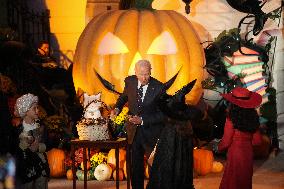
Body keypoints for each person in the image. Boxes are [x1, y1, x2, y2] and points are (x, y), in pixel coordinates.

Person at [111, 59, 166, 189]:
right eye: (141, 74)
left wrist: (142, 120)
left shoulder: (159, 87)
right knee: (135, 165)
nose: (144, 78)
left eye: (147, 74)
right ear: (135, 72)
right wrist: (117, 108)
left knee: (154, 165)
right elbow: (123, 97)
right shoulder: (129, 82)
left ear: (150, 71)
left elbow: (163, 115)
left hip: (152, 132)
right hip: (134, 131)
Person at [146, 79, 206, 189]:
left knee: (171, 163)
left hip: (172, 140)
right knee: (177, 164)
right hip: (173, 141)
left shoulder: (175, 127)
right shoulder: (185, 125)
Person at [215, 87, 263, 189]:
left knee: (232, 181)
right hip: (248, 154)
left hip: (235, 153)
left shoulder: (231, 118)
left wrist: (217, 147)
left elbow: (226, 141)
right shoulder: (253, 118)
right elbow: (257, 141)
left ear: (233, 102)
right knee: (244, 181)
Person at [14, 93, 50, 189]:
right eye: (34, 108)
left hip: (41, 168)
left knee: (41, 185)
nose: (38, 110)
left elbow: (48, 143)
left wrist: (39, 147)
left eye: (37, 108)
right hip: (27, 170)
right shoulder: (18, 130)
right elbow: (15, 149)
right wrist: (24, 145)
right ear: (25, 111)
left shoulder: (41, 127)